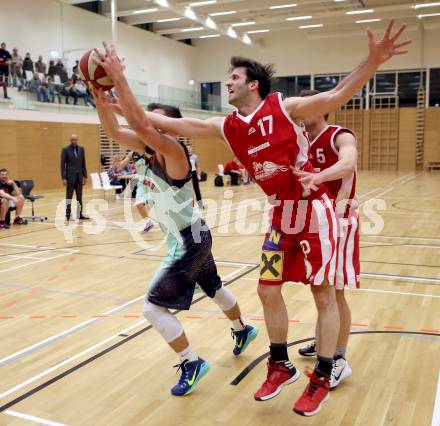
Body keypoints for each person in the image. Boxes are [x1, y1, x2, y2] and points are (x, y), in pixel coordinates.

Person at [97, 20, 410, 416]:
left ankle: (324, 375)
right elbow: (148, 123)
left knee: (322, 295)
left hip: (314, 212)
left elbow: (337, 93)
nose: (226, 83)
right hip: (280, 214)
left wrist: (374, 60)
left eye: (234, 77)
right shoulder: (224, 127)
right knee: (266, 289)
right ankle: (280, 364)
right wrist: (118, 85)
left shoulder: (286, 107)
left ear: (253, 84)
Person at [91, 82, 259, 396]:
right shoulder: (148, 151)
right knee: (213, 286)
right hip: (195, 233)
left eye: (154, 120)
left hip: (187, 241)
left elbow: (138, 123)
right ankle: (242, 329)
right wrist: (98, 98)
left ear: (168, 128)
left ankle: (191, 362)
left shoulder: (175, 152)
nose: (145, 124)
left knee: (152, 309)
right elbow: (114, 131)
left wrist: (120, 92)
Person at [294, 89, 359, 390]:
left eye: (305, 106)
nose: (298, 111)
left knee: (336, 293)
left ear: (321, 108)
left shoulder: (339, 135)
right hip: (316, 223)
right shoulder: (301, 142)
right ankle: (324, 343)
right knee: (320, 291)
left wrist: (318, 178)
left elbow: (348, 163)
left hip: (341, 221)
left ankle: (339, 360)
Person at [60, 134, 89, 221]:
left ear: (77, 140)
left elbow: (83, 163)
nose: (74, 141)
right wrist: (63, 178)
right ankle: (68, 214)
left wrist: (85, 176)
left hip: (79, 176)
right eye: (72, 140)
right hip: (70, 177)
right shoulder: (65, 149)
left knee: (79, 197)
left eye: (75, 140)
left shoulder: (81, 149)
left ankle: (79, 214)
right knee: (69, 196)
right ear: (70, 140)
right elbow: (62, 165)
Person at [186, 144, 204, 209]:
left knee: (197, 190)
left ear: (191, 149)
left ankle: (200, 205)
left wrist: (198, 175)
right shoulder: (184, 157)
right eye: (187, 148)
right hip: (187, 175)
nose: (188, 149)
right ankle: (190, 206)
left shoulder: (195, 157)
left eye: (189, 148)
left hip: (193, 174)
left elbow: (198, 166)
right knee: (188, 191)